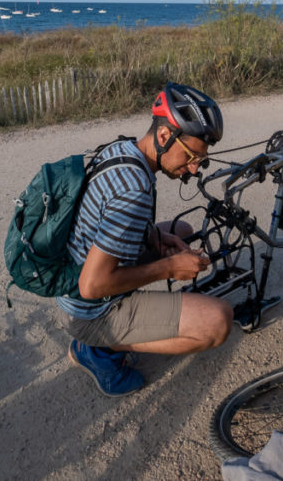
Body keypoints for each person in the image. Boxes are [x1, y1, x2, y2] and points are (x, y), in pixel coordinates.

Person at [59, 82, 234, 397]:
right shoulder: (134, 190)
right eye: (192, 155)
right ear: (165, 136)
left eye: (201, 159)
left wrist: (157, 237)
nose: (194, 169)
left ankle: (102, 336)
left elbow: (109, 220)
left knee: (180, 231)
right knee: (218, 321)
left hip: (74, 273)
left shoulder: (124, 149)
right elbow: (93, 286)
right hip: (89, 307)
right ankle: (95, 348)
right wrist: (168, 268)